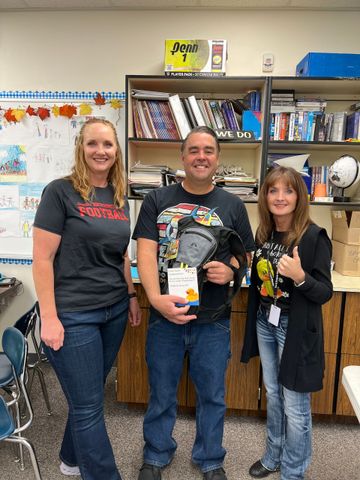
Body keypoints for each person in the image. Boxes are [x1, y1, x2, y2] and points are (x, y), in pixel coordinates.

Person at [133, 126, 255, 480]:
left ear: (217, 158)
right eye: (194, 150)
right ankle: (155, 456)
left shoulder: (232, 205)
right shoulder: (157, 201)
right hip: (165, 316)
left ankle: (210, 460)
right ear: (182, 157)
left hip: (213, 320)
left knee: (213, 396)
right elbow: (145, 253)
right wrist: (155, 301)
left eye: (209, 151)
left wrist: (230, 270)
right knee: (161, 393)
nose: (201, 157)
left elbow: (244, 256)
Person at [32, 118, 141, 480]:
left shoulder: (119, 195)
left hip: (113, 309)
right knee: (91, 404)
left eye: (108, 144)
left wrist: (131, 295)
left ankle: (70, 458)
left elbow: (121, 255)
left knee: (88, 395)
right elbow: (42, 259)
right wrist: (49, 317)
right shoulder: (60, 192)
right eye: (93, 143)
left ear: (116, 151)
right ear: (81, 147)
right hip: (73, 313)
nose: (101, 151)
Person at [241, 166, 333, 480]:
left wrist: (301, 277)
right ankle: (273, 456)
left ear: (299, 196)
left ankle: (293, 471)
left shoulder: (313, 236)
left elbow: (324, 292)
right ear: (265, 196)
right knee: (273, 394)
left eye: (288, 191)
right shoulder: (264, 233)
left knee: (295, 403)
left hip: (294, 329)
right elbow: (261, 281)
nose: (280, 198)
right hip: (265, 321)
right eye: (273, 190)